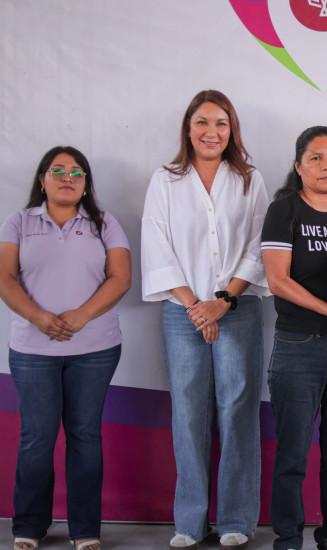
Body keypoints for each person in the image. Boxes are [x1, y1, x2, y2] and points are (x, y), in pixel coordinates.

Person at [140, 90, 269, 550]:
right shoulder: (166, 180)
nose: (211, 132)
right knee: (189, 413)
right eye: (202, 122)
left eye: (221, 123)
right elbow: (156, 243)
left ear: (232, 130)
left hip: (238, 308)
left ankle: (236, 519)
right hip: (183, 313)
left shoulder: (250, 179)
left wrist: (223, 301)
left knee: (238, 411)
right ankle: (190, 522)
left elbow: (259, 245)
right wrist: (197, 305)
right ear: (188, 128)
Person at [0, 146, 131, 550]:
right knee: (36, 438)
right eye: (57, 171)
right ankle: (29, 526)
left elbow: (120, 277)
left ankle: (85, 530)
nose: (67, 178)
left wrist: (81, 315)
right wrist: (38, 316)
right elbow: (4, 277)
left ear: (86, 184)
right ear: (42, 180)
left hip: (95, 349)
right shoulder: (20, 221)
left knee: (84, 435)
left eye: (76, 172)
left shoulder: (104, 223)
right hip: (32, 351)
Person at [261, 126, 327, 550]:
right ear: (298, 166)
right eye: (316, 158)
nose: (326, 166)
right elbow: (277, 281)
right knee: (293, 452)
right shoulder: (284, 211)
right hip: (299, 345)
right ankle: (288, 539)